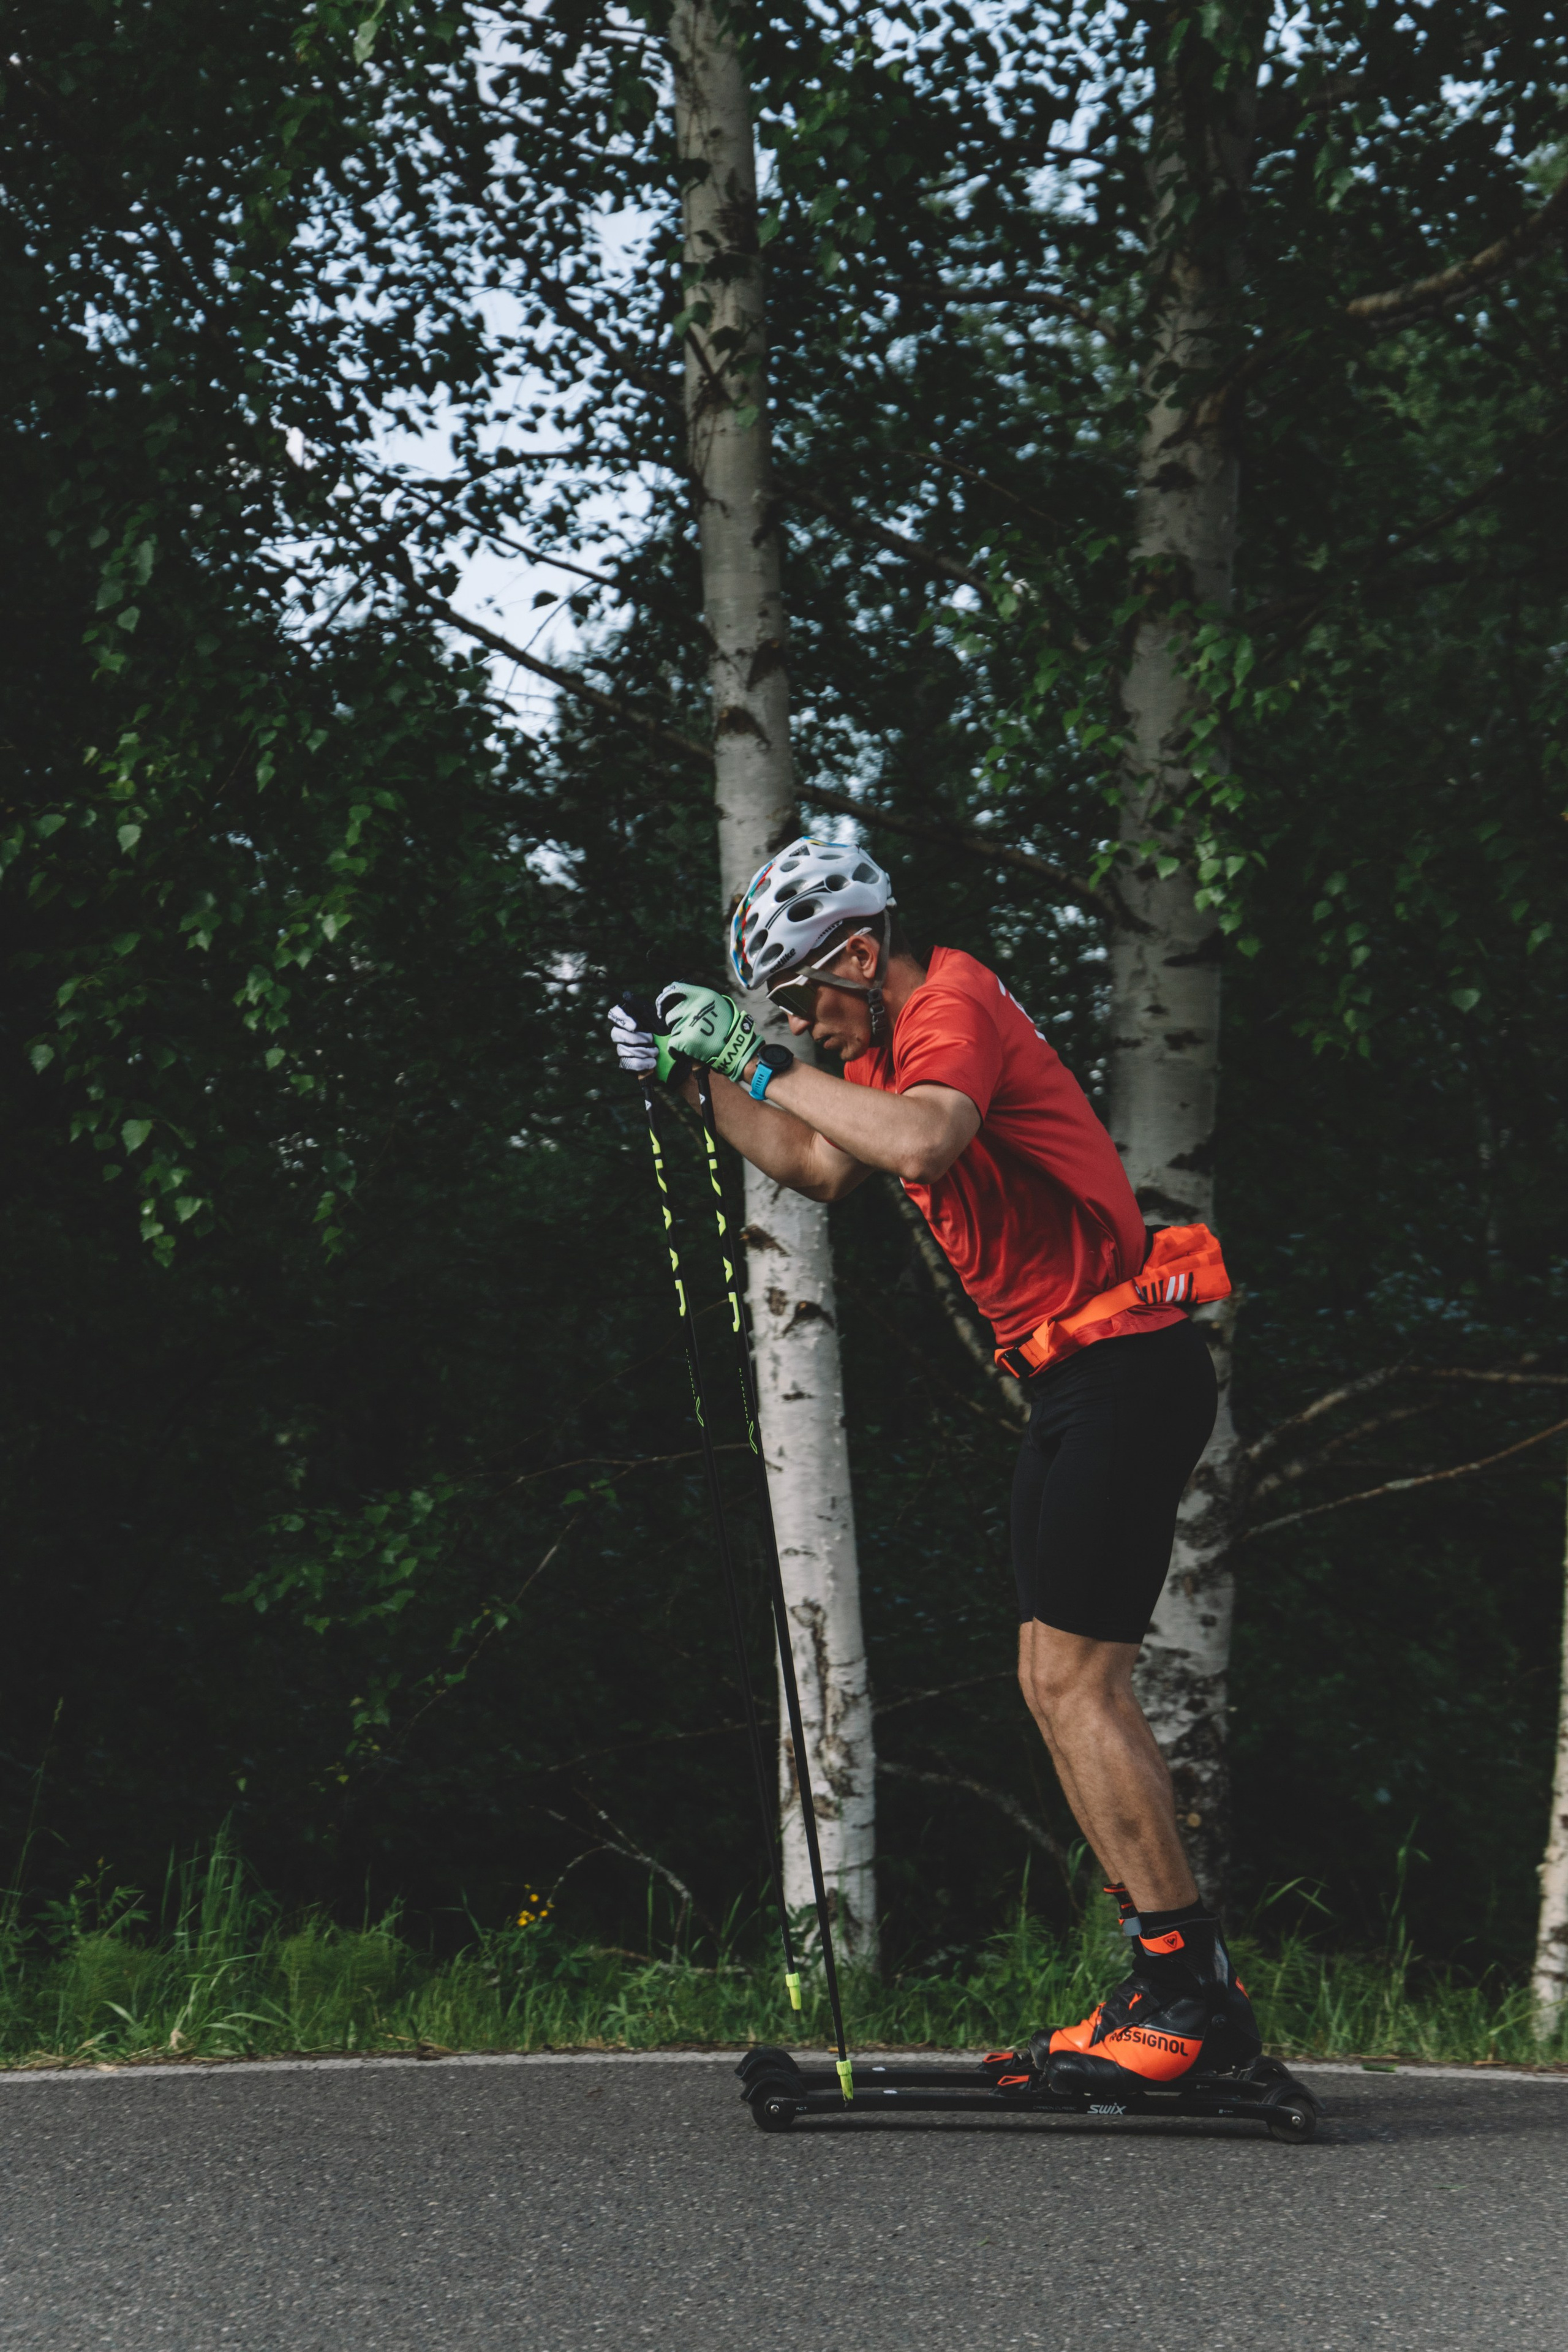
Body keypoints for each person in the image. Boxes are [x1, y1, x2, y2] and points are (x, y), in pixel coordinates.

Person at [608, 838, 1259, 2093]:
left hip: (1125, 1366)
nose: (801, 1020)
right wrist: (696, 1090)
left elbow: (917, 1144)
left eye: (803, 994)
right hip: (1077, 1379)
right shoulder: (875, 1046)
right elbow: (813, 1161)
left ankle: (1188, 2003)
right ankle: (1163, 1979)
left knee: (1077, 1684)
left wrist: (757, 1058)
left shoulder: (948, 1003)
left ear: (860, 953)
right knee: (1047, 1680)